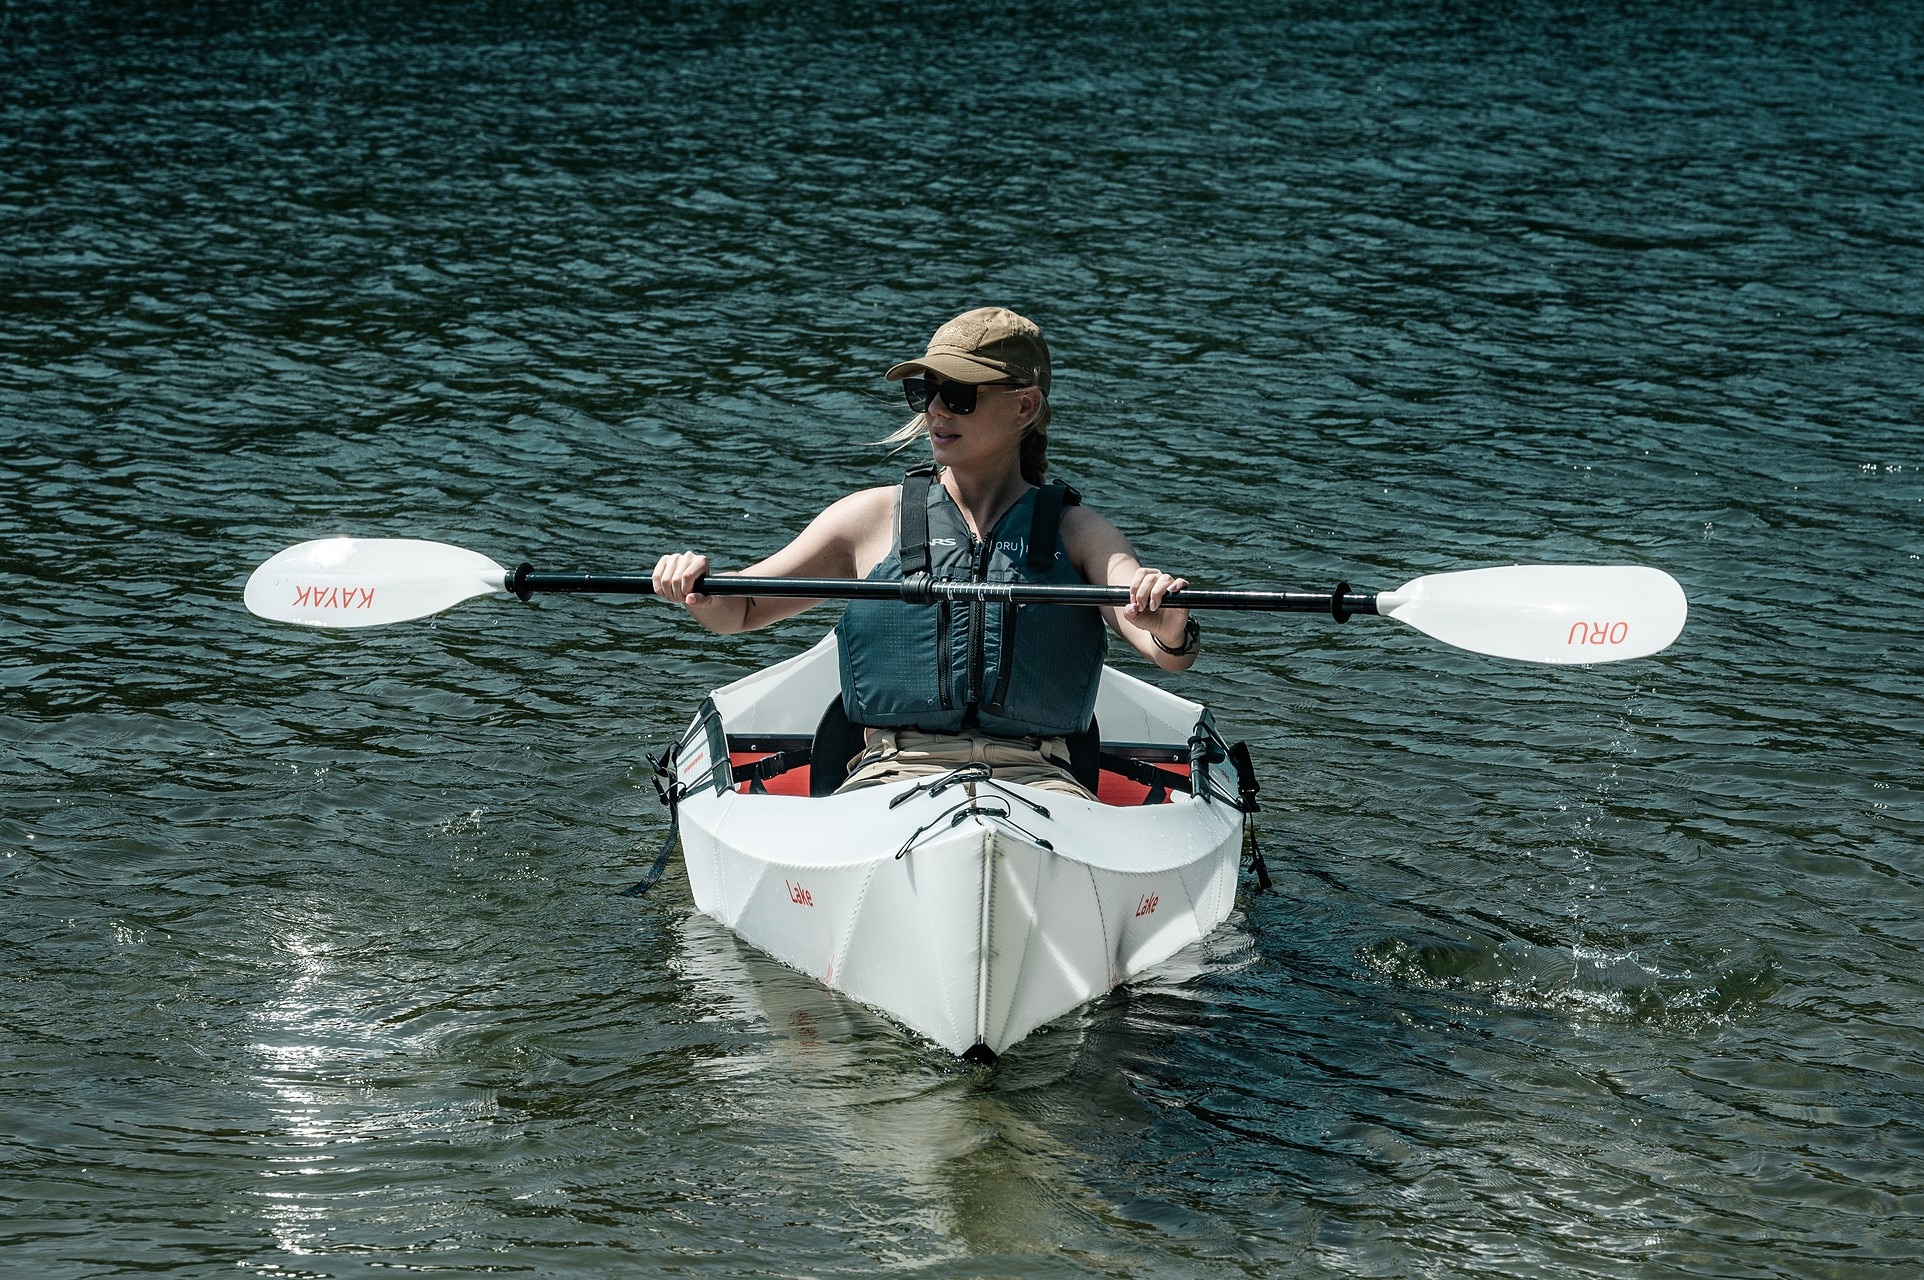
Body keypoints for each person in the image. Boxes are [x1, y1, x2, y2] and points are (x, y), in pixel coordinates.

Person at [650, 306, 1199, 798]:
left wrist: (1169, 619)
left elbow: (1164, 647)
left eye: (958, 395)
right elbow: (740, 610)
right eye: (924, 392)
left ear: (1024, 406)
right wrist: (695, 588)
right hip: (886, 775)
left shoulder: (1079, 533)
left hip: (1044, 782)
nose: (937, 410)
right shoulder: (866, 519)